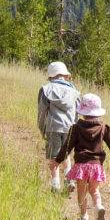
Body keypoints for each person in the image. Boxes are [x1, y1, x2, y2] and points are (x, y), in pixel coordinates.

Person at [52, 93, 110, 220]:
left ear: (82, 111)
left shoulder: (76, 128)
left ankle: (84, 217)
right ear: (98, 112)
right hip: (96, 166)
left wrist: (57, 161)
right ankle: (98, 206)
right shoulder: (103, 128)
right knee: (94, 190)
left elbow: (67, 147)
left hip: (81, 166)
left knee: (81, 192)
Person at [37, 61, 81, 192]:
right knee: (66, 154)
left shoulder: (46, 90)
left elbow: (41, 112)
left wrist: (42, 129)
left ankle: (55, 184)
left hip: (52, 127)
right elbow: (77, 113)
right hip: (70, 127)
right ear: (65, 75)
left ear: (51, 76)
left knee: (53, 156)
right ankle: (69, 180)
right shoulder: (74, 92)